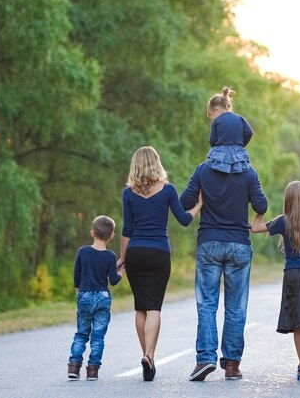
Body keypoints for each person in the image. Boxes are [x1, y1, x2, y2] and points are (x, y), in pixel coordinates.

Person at [180, 113, 268, 381]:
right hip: (239, 244)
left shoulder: (203, 170)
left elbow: (184, 202)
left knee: (206, 304)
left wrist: (201, 201)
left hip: (208, 243)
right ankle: (231, 364)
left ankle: (205, 359)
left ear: (215, 135)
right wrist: (255, 221)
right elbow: (261, 205)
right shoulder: (249, 172)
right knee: (236, 307)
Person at [116, 146, 202, 382]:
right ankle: (149, 355)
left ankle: (146, 356)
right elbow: (184, 220)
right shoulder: (168, 190)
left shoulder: (128, 194)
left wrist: (123, 257)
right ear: (157, 164)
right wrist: (199, 205)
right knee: (154, 306)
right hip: (159, 253)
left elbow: (127, 229)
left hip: (136, 253)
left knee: (140, 306)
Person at [250, 181, 300, 384]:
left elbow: (255, 228)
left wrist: (261, 210)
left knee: (298, 322)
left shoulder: (282, 221)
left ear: (287, 199)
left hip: (292, 275)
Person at [67, 215, 123, 381]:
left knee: (81, 334)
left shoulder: (82, 252)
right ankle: (93, 370)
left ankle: (74, 367)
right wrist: (121, 271)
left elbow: (76, 276)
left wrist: (79, 294)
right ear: (111, 236)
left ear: (92, 232)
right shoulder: (111, 256)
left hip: (84, 295)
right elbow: (113, 280)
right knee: (98, 336)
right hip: (102, 297)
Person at [205, 86, 253, 174]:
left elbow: (212, 141)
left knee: (211, 164)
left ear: (216, 110)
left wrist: (219, 146)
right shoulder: (240, 118)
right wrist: (240, 145)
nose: (212, 119)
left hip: (221, 155)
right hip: (238, 154)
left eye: (211, 115)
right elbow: (249, 133)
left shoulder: (217, 121)